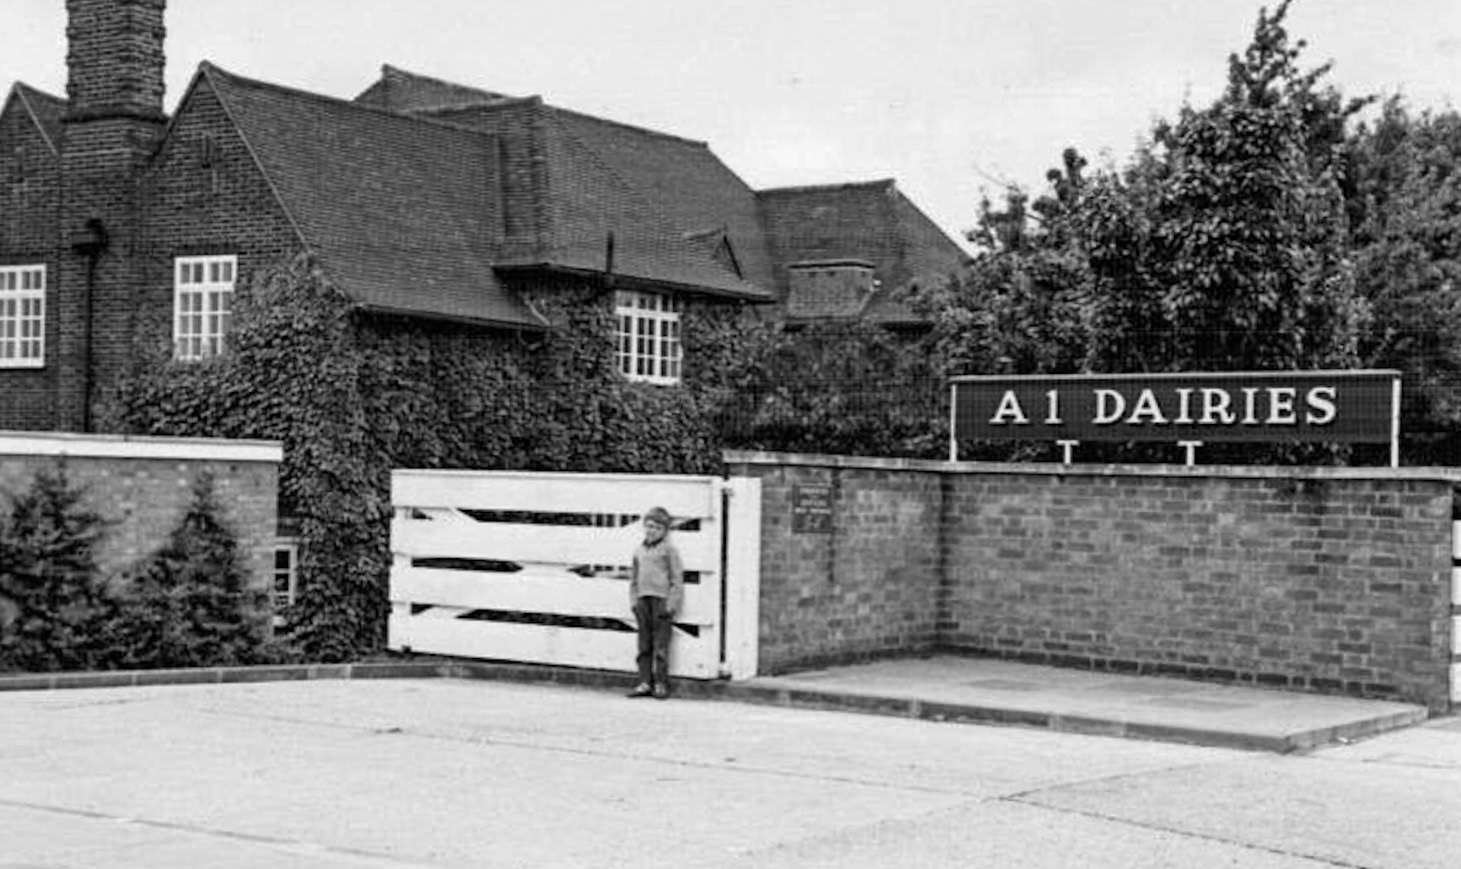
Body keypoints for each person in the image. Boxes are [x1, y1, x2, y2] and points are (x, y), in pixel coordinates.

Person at [626, 506, 683, 700]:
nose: (652, 531)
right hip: (643, 600)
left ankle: (660, 683)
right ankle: (644, 682)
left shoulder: (669, 550)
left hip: (661, 601)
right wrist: (634, 601)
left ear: (665, 531)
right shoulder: (639, 551)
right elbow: (633, 579)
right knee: (644, 644)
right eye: (649, 526)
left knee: (661, 646)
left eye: (657, 528)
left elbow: (676, 579)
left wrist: (671, 604)